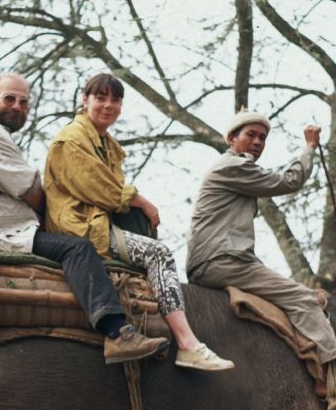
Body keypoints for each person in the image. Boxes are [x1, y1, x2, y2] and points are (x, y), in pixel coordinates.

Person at [0, 72, 168, 365]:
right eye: (9, 99)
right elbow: (31, 190)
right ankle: (117, 332)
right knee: (77, 248)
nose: (17, 106)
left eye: (23, 102)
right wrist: (57, 214)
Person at [42, 73, 234, 372]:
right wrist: (141, 201)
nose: (108, 105)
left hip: (97, 221)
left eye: (115, 100)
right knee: (159, 254)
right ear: (84, 100)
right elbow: (102, 188)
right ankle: (188, 344)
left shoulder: (105, 143)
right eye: (100, 98)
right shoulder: (71, 139)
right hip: (80, 225)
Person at [185, 110, 336, 410]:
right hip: (222, 260)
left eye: (262, 137)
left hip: (218, 260)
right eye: (251, 135)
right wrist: (309, 148)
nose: (258, 142)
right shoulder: (233, 166)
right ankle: (329, 377)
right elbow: (289, 181)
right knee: (304, 300)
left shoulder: (233, 170)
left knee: (300, 293)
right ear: (232, 139)